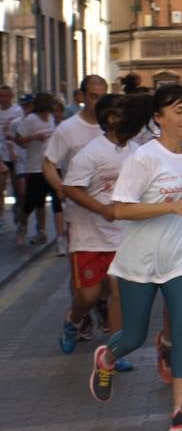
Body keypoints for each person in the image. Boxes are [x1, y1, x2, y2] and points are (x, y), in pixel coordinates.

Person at [88, 85, 182, 431]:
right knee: (134, 337)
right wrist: (169, 206)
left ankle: (181, 409)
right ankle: (107, 357)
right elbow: (120, 208)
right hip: (139, 261)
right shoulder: (145, 157)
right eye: (178, 111)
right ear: (158, 117)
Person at [58, 94, 138, 368]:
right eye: (127, 112)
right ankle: (73, 320)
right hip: (89, 235)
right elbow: (69, 188)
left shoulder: (136, 149)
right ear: (112, 119)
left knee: (119, 292)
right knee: (89, 296)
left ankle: (114, 352)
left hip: (121, 236)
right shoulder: (92, 152)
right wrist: (102, 209)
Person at [43, 75, 108, 256]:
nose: (99, 102)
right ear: (82, 96)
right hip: (81, 218)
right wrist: (59, 186)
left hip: (114, 218)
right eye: (94, 97)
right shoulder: (67, 128)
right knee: (84, 282)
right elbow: (49, 162)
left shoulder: (114, 127)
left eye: (103, 97)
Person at [14, 92, 58, 247]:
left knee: (44, 202)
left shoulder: (51, 118)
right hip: (34, 167)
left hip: (50, 165)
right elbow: (18, 140)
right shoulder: (31, 120)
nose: (48, 112)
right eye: (46, 109)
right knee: (31, 202)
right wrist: (33, 137)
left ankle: (42, 231)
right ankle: (22, 224)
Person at [0, 85, 25, 223]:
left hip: (15, 154)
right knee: (1, 185)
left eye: (5, 96)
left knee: (18, 188)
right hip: (1, 153)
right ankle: (1, 217)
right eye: (0, 96)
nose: (2, 99)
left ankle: (18, 208)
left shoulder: (17, 111)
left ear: (10, 96)